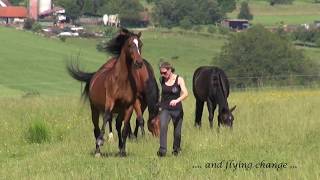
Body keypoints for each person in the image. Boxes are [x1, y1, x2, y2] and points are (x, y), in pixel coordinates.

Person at [157, 62, 188, 157]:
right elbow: (162, 94)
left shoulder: (179, 79)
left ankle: (176, 150)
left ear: (170, 70)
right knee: (163, 126)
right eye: (161, 73)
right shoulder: (161, 79)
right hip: (165, 109)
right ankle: (162, 150)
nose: (163, 75)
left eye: (164, 72)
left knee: (177, 132)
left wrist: (177, 100)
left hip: (177, 110)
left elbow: (186, 93)